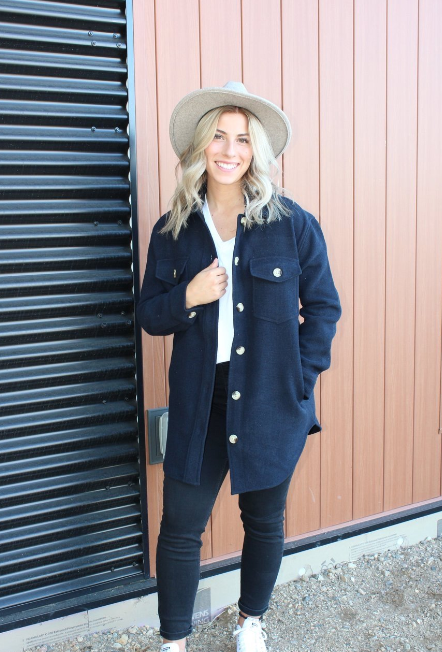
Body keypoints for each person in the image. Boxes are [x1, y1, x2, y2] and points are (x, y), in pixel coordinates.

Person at [136, 81, 342, 652]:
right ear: (201, 146)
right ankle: (174, 640)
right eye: (219, 137)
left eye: (243, 139)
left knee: (264, 521)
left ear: (258, 151)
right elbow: (150, 315)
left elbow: (324, 308)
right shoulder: (172, 230)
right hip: (200, 398)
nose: (230, 150)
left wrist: (298, 381)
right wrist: (189, 296)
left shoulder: (291, 223)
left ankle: (251, 620)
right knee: (180, 526)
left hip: (271, 396)